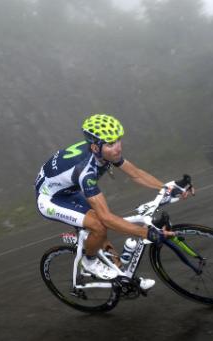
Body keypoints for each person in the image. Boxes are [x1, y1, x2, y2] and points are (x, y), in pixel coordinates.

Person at [34, 113, 193, 291]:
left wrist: (167, 188)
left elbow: (136, 174)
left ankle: (121, 277)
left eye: (118, 140)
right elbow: (107, 218)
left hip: (67, 190)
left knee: (102, 230)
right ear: (95, 147)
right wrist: (146, 233)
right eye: (111, 144)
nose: (117, 148)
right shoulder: (86, 172)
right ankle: (90, 261)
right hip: (50, 199)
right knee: (100, 225)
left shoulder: (104, 152)